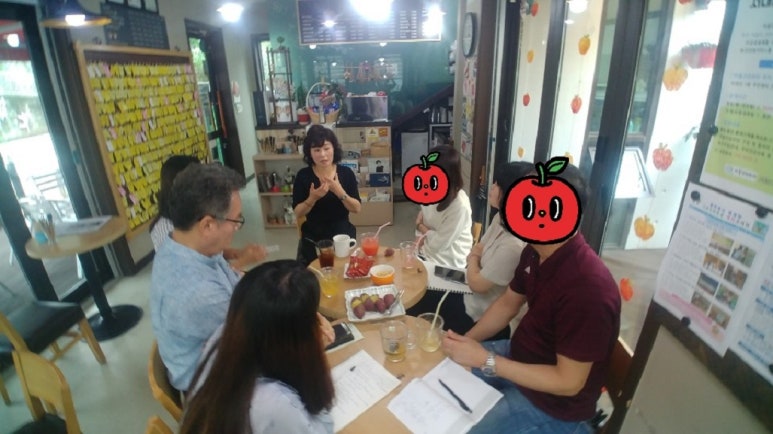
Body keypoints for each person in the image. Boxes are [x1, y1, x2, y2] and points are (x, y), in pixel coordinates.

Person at [441, 163, 621, 433]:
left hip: (554, 405)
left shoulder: (588, 288)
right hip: (518, 357)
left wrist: (485, 360)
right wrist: (468, 342)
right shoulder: (534, 251)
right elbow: (507, 304)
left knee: (457, 429)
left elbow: (568, 382)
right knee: (442, 372)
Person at [180, 260, 336, 434]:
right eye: (313, 319)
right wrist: (313, 356)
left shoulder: (224, 336)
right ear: (293, 340)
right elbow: (322, 428)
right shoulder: (277, 405)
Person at [150, 163, 268, 391]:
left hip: (224, 345)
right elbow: (256, 339)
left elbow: (232, 280)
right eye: (236, 220)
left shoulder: (183, 244)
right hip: (215, 386)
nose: (237, 228)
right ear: (207, 225)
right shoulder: (198, 292)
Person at [150, 155, 265, 272]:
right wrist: (243, 261)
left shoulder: (195, 216)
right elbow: (199, 273)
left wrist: (237, 254)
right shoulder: (169, 230)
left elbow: (210, 251)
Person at [293, 125, 361, 265]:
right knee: (314, 271)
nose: (323, 155)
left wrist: (339, 191)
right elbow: (298, 213)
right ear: (309, 152)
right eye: (317, 150)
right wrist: (313, 198)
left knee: (343, 269)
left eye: (326, 148)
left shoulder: (346, 173)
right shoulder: (303, 176)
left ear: (334, 148)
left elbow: (356, 208)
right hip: (313, 233)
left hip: (341, 232)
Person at [414, 144, 473, 270]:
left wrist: (420, 226)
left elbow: (438, 244)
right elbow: (422, 222)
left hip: (448, 263)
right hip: (425, 253)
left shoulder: (459, 206)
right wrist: (417, 244)